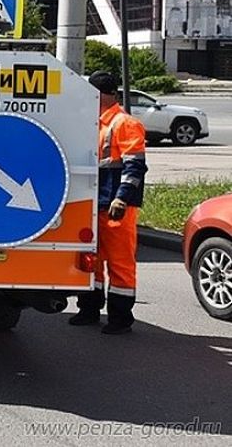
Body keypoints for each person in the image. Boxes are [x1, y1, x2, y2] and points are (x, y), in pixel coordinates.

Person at [70, 71, 147, 334]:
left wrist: (122, 198)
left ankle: (120, 318)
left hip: (116, 206)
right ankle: (89, 310)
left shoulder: (124, 123)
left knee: (119, 263)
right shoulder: (94, 123)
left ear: (102, 94)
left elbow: (134, 166)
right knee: (93, 261)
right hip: (94, 203)